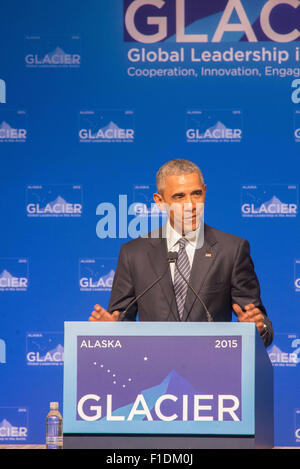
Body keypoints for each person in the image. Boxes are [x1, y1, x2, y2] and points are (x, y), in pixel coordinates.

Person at [89, 159, 273, 347]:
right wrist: (109, 329)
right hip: (153, 368)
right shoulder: (133, 254)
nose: (191, 205)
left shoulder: (232, 249)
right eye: (179, 197)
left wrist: (257, 328)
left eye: (196, 194)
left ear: (205, 192)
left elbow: (260, 324)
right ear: (160, 201)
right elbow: (121, 319)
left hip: (212, 368)